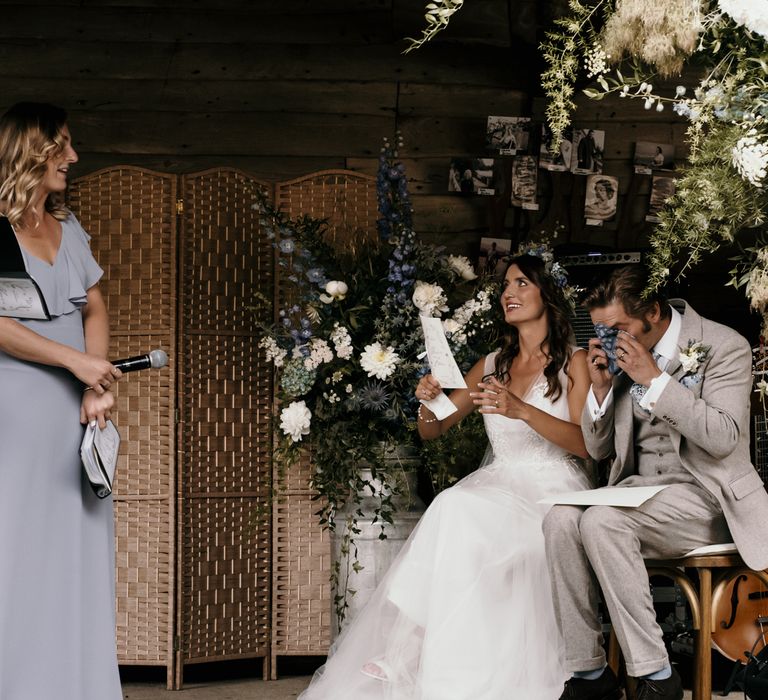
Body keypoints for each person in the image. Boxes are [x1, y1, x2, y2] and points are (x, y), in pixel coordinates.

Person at [299, 253, 593, 700]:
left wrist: (523, 411)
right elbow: (432, 429)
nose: (507, 294)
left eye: (520, 284)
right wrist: (427, 398)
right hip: (498, 486)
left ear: (546, 295)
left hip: (552, 487)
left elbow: (586, 445)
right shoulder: (493, 364)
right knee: (455, 508)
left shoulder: (575, 362)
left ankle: (408, 649)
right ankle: (437, 664)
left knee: (459, 508)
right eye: (504, 287)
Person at [543, 265, 768, 700]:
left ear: (651, 310)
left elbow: (724, 438)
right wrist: (603, 389)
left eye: (618, 327)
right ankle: (589, 675)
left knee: (603, 522)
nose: (611, 338)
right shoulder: (622, 356)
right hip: (638, 494)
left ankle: (658, 677)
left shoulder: (724, 345)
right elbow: (599, 448)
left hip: (710, 497)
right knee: (559, 521)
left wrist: (655, 379)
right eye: (603, 329)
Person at [0, 103, 123, 700]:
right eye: (63, 146)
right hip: (14, 413)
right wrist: (76, 364)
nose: (73, 158)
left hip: (76, 415)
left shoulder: (69, 228)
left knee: (75, 542)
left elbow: (93, 308)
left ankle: (76, 685)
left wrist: (95, 388)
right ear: (32, 149)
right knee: (17, 543)